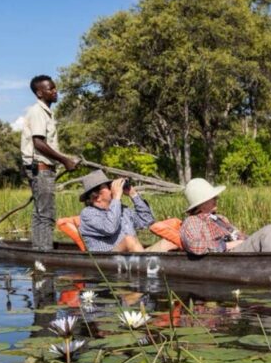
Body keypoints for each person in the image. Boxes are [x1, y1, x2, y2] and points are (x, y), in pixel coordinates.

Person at [20, 75, 78, 250]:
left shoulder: (45, 112)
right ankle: (44, 252)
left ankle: (39, 249)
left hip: (42, 167)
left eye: (54, 88)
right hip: (41, 168)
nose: (55, 91)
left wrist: (66, 158)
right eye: (50, 89)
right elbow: (39, 143)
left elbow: (45, 144)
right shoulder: (38, 112)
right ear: (39, 93)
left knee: (40, 212)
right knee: (46, 214)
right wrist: (64, 160)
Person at [180, 178, 271, 255]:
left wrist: (248, 240)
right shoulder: (192, 221)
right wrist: (227, 245)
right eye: (212, 198)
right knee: (269, 231)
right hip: (228, 257)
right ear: (201, 204)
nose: (216, 199)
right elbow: (193, 245)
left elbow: (240, 236)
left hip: (240, 249)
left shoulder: (220, 218)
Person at [78, 169, 178, 253]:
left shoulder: (123, 210)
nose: (112, 188)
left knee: (172, 241)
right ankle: (147, 270)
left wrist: (133, 195)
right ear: (96, 197)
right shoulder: (88, 214)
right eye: (108, 187)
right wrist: (116, 197)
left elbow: (147, 221)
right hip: (108, 260)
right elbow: (109, 228)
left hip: (134, 258)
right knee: (129, 240)